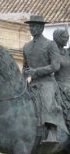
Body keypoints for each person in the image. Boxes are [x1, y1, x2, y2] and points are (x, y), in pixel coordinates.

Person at [22, 15, 63, 143]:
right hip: (32, 82)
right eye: (30, 26)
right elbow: (25, 66)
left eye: (34, 26)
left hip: (47, 82)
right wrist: (25, 73)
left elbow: (55, 66)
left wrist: (36, 71)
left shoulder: (50, 45)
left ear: (41, 27)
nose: (31, 28)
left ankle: (52, 130)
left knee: (47, 99)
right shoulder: (26, 47)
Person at [54, 28, 70, 127]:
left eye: (68, 37)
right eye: (65, 37)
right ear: (57, 38)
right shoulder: (52, 53)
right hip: (57, 82)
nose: (67, 40)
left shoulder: (68, 52)